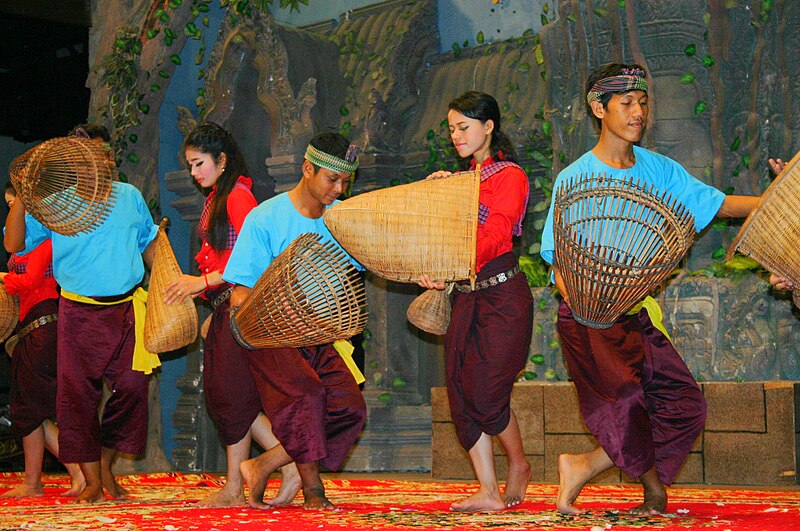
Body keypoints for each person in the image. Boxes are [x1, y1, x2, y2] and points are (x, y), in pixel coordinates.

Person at [540, 63, 761, 516]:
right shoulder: (574, 180)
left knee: (684, 405)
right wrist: (585, 307)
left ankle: (581, 465)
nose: (638, 111)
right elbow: (558, 262)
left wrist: (778, 199)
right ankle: (654, 491)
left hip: (633, 313)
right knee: (622, 401)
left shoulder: (661, 170)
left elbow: (718, 205)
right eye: (626, 103)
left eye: (642, 102)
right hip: (586, 315)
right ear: (599, 109)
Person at [4, 124, 160, 504]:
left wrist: (164, 290)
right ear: (75, 163)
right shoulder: (57, 202)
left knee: (135, 389)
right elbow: (13, 243)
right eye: (90, 154)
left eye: (105, 152)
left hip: (126, 308)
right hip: (77, 312)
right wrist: (25, 197)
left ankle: (104, 463)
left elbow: (150, 244)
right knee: (77, 400)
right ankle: (91, 480)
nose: (101, 160)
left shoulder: (129, 196)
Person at [223, 132, 367, 510]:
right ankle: (314, 491)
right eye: (332, 179)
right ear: (307, 169)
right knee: (307, 395)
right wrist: (273, 308)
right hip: (268, 333)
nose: (339, 189)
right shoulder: (265, 218)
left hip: (317, 333)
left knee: (349, 407)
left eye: (344, 182)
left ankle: (264, 463)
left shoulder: (341, 222)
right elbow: (239, 293)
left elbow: (378, 260)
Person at [161, 122, 300, 507]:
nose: (194, 173)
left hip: (240, 305)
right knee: (229, 398)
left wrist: (202, 283)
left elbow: (256, 257)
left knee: (231, 398)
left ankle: (249, 480)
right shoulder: (218, 197)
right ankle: (279, 466)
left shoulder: (238, 197)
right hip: (226, 307)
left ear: (221, 160)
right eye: (190, 165)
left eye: (199, 163)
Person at [418, 91, 533, 512]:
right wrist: (432, 268)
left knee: (486, 392)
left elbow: (497, 235)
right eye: (451, 128)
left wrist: (459, 196)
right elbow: (445, 238)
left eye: (463, 127)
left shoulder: (510, 176)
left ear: (488, 127)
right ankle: (487, 490)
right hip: (465, 298)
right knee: (461, 394)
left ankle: (518, 464)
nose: (455, 135)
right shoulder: (460, 179)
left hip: (503, 297)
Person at [0, 183, 84, 498]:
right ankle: (33, 482)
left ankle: (79, 473)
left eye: (14, 205)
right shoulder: (22, 244)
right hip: (30, 328)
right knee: (26, 408)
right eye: (9, 205)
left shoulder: (48, 241)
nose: (11, 212)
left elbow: (31, 280)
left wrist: (4, 278)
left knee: (32, 407)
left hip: (44, 326)